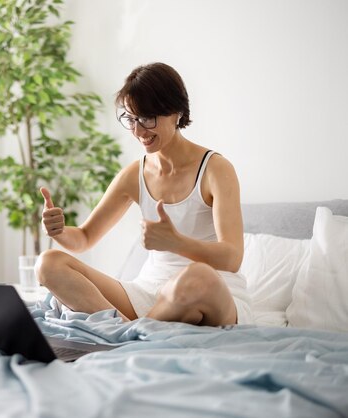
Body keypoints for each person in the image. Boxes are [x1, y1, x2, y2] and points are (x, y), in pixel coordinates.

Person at [36, 62, 252, 326]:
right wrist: (59, 231)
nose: (138, 131)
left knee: (198, 276)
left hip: (212, 291)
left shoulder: (216, 169)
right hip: (149, 292)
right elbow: (83, 238)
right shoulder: (133, 176)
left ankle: (133, 331)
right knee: (48, 263)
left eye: (147, 119)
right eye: (131, 119)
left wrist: (175, 243)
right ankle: (125, 330)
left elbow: (232, 258)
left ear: (176, 112)